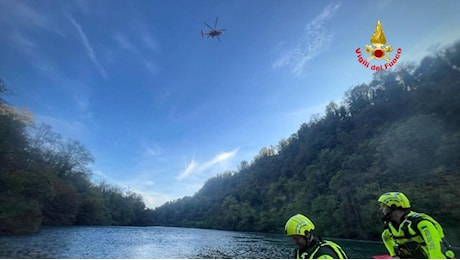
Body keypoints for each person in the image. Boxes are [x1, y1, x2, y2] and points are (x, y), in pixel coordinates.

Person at [378, 191, 455, 259]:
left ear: (394, 206)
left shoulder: (422, 223)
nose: (381, 209)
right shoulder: (391, 227)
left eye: (384, 206)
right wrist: (394, 255)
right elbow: (386, 237)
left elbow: (434, 245)